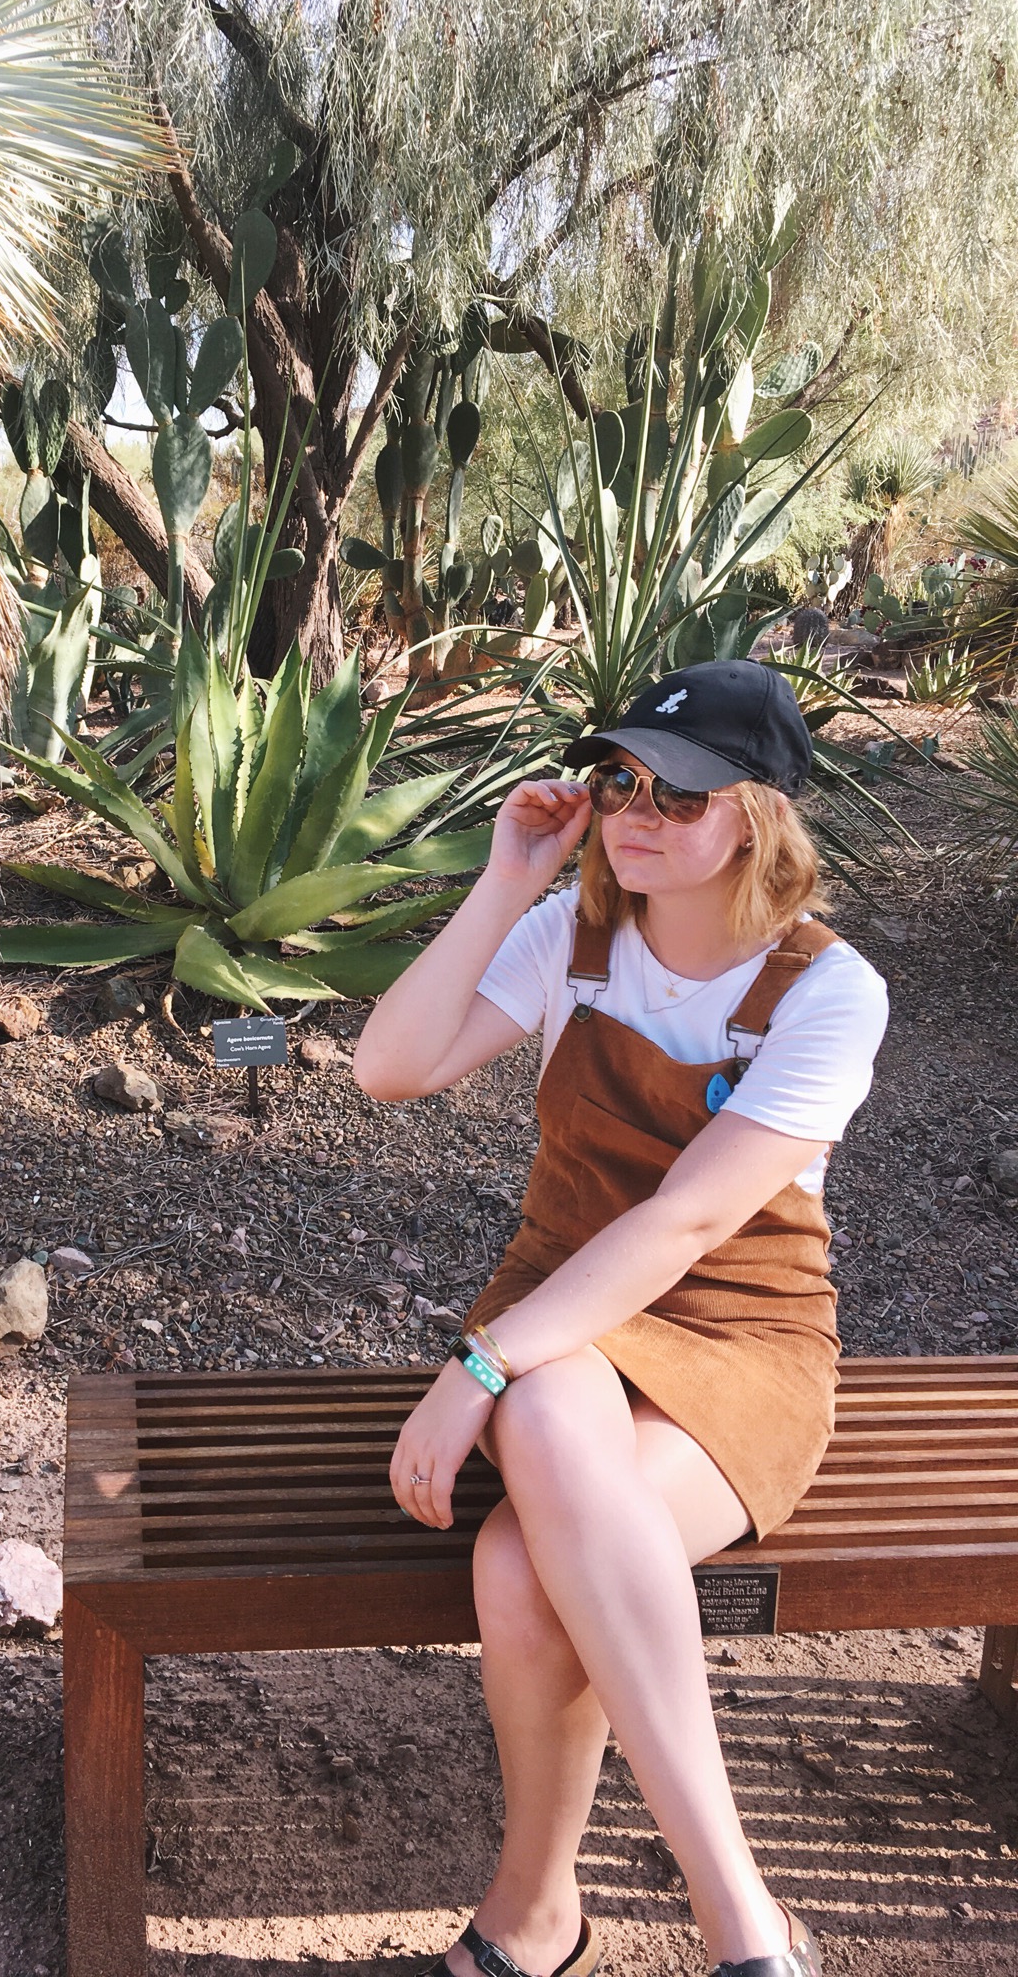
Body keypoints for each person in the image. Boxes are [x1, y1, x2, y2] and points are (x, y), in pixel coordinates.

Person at [353, 660, 889, 1977]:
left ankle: (546, 1916)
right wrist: (504, 884)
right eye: (618, 782)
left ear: (756, 816)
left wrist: (476, 1362)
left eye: (678, 793)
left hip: (741, 1340)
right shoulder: (569, 944)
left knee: (520, 1565)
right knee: (544, 1406)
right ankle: (746, 1933)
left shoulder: (828, 990)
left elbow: (686, 1226)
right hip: (563, 1309)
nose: (637, 813)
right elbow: (389, 1069)